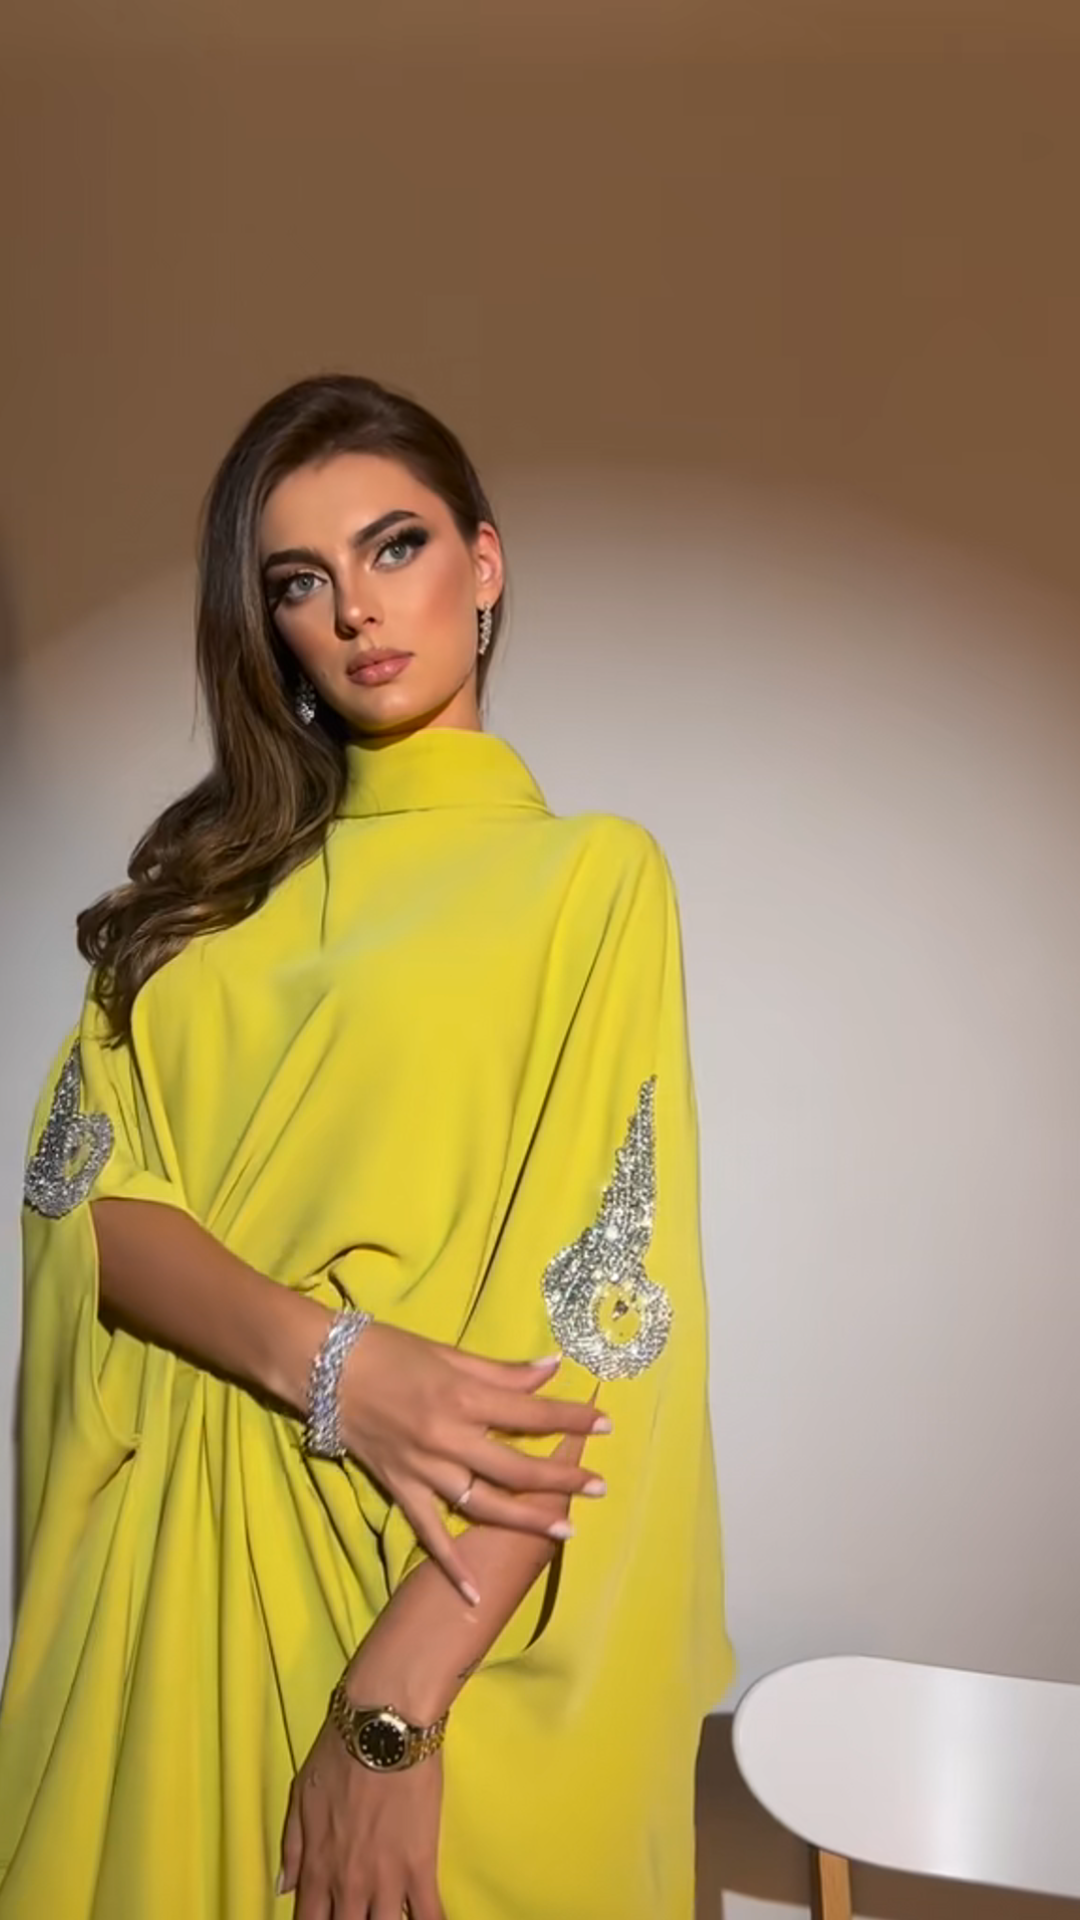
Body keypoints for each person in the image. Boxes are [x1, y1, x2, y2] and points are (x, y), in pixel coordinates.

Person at [0, 373, 733, 1919]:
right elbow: (91, 1216)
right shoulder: (197, 906)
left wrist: (389, 1717)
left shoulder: (589, 882)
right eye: (299, 580)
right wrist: (341, 1363)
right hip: (173, 1583)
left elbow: (597, 1327)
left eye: (396, 547)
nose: (354, 610)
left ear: (486, 562)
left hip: (417, 1577)